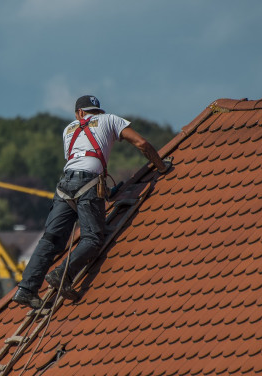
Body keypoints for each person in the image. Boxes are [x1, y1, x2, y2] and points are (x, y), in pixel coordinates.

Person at [12, 95, 170, 309]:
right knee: (93, 238)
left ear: (79, 113)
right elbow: (141, 143)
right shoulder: (110, 120)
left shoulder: (68, 130)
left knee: (51, 239)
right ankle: (62, 275)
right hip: (88, 183)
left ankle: (26, 289)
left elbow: (78, 159)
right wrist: (161, 166)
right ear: (95, 111)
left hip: (64, 185)